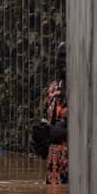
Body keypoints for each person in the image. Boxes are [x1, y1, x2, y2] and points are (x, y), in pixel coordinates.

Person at [31, 42, 67, 184]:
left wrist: (59, 133)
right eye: (60, 56)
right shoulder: (53, 89)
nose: (62, 60)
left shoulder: (84, 88)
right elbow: (51, 127)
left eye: (66, 55)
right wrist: (41, 138)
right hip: (53, 169)